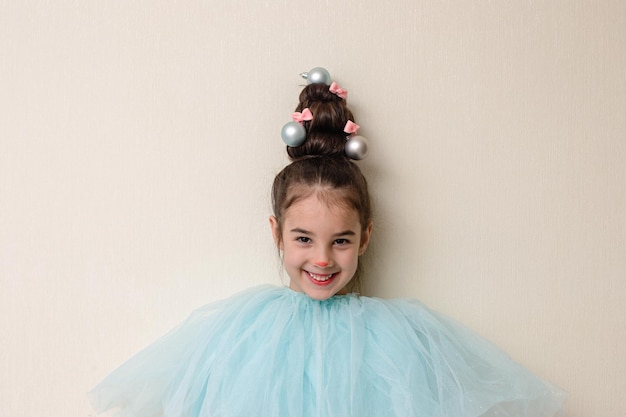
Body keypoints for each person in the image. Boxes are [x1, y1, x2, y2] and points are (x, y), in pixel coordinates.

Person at [88, 68, 566, 417]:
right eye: (302, 238)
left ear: (364, 238)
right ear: (276, 234)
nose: (321, 258)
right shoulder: (242, 338)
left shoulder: (399, 341)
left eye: (340, 240)